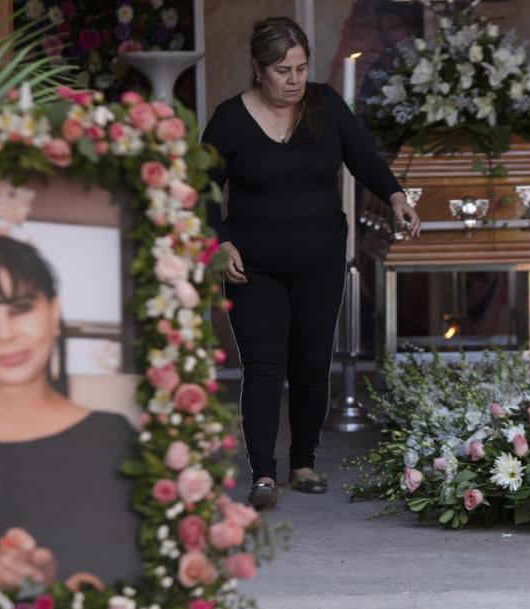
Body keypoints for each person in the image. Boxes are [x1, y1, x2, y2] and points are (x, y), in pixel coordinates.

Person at [201, 16, 420, 509]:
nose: (294, 79)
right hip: (251, 265)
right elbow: (203, 189)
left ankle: (303, 462)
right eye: (283, 70)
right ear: (258, 69)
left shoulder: (326, 105)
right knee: (262, 367)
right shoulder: (229, 119)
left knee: (310, 365)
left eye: (301, 68)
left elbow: (364, 157)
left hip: (319, 261)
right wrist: (218, 243)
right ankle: (262, 474)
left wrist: (396, 195)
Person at [0, 236, 140, 588]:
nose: (5, 334)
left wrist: (50, 587)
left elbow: (135, 575)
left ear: (53, 312)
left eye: (20, 308)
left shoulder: (112, 439)